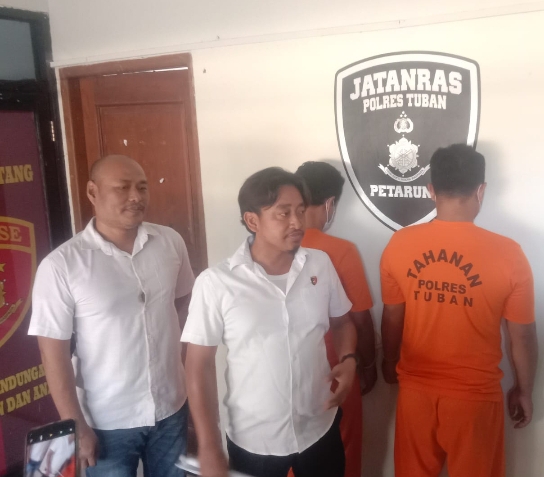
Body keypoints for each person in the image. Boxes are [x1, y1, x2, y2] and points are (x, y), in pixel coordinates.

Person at [182, 167, 358, 477]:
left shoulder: (319, 264)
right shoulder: (216, 283)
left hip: (319, 426)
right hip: (254, 441)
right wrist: (208, 444)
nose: (297, 222)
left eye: (300, 210)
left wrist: (349, 358)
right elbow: (198, 365)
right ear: (253, 221)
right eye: (283, 213)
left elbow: (343, 322)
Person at [28, 155, 194, 477]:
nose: (136, 197)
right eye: (123, 188)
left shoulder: (170, 243)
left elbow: (182, 301)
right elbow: (53, 354)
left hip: (170, 407)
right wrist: (76, 425)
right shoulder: (62, 265)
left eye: (142, 188)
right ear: (93, 192)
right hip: (106, 421)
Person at [380, 144, 539, 477]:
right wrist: (524, 389)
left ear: (431, 190)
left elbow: (393, 317)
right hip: (474, 399)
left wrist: (389, 362)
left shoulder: (400, 244)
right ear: (481, 190)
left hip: (415, 394)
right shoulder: (509, 254)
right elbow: (521, 336)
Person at [295, 161, 376, 477]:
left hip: (286, 378)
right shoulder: (340, 251)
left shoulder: (269, 248)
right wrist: (367, 366)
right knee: (342, 457)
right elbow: (360, 320)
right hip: (336, 374)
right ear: (330, 204)